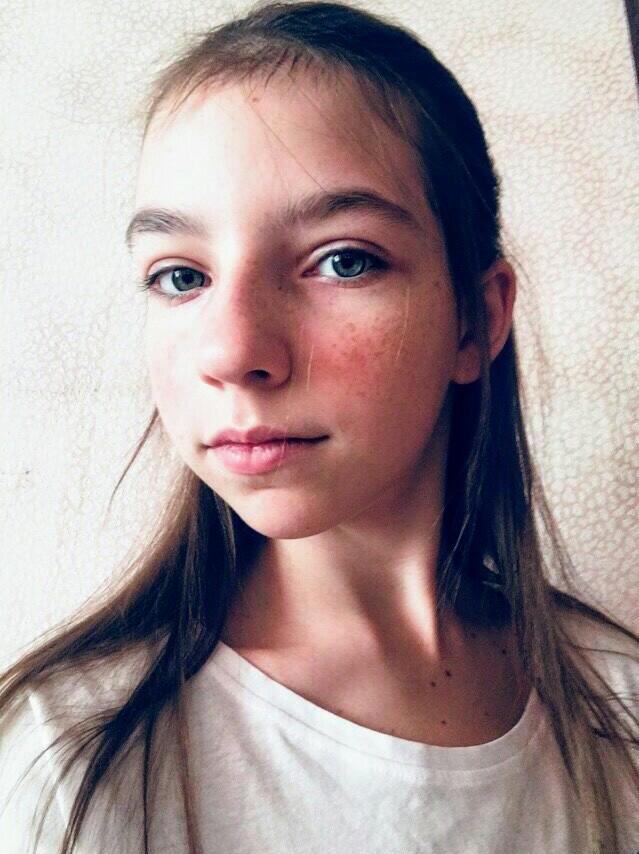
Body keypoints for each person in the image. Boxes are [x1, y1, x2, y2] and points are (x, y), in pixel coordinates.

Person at [1, 1, 637, 852]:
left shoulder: (618, 711)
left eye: (342, 260)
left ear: (474, 320)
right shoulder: (62, 763)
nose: (233, 353)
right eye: (180, 276)